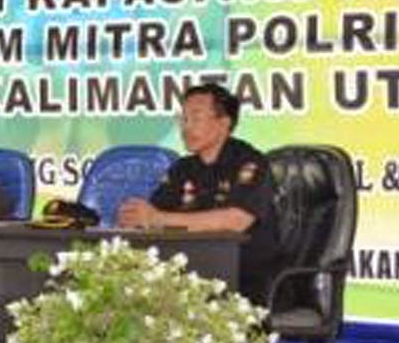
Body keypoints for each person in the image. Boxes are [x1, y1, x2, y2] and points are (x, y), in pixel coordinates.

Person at [118, 83, 282, 305]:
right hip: (191, 277)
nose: (186, 127)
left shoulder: (250, 163)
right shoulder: (181, 169)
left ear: (224, 123)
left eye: (196, 118)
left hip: (244, 284)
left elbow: (235, 221)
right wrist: (137, 218)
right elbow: (153, 216)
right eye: (183, 119)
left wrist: (156, 218)